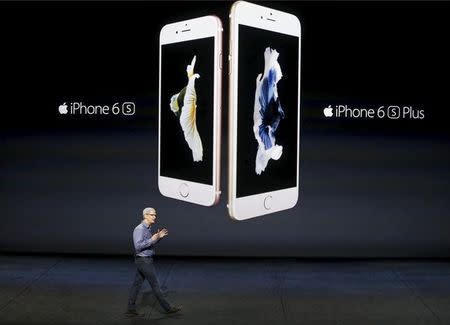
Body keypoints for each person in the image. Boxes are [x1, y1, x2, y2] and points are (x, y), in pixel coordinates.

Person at [125, 207, 182, 316]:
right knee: (156, 285)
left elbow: (148, 244)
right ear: (145, 215)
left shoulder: (147, 228)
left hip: (144, 260)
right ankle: (168, 308)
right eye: (152, 215)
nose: (154, 217)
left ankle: (130, 309)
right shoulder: (140, 229)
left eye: (155, 215)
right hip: (144, 261)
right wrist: (153, 239)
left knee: (136, 285)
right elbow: (138, 246)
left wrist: (158, 238)